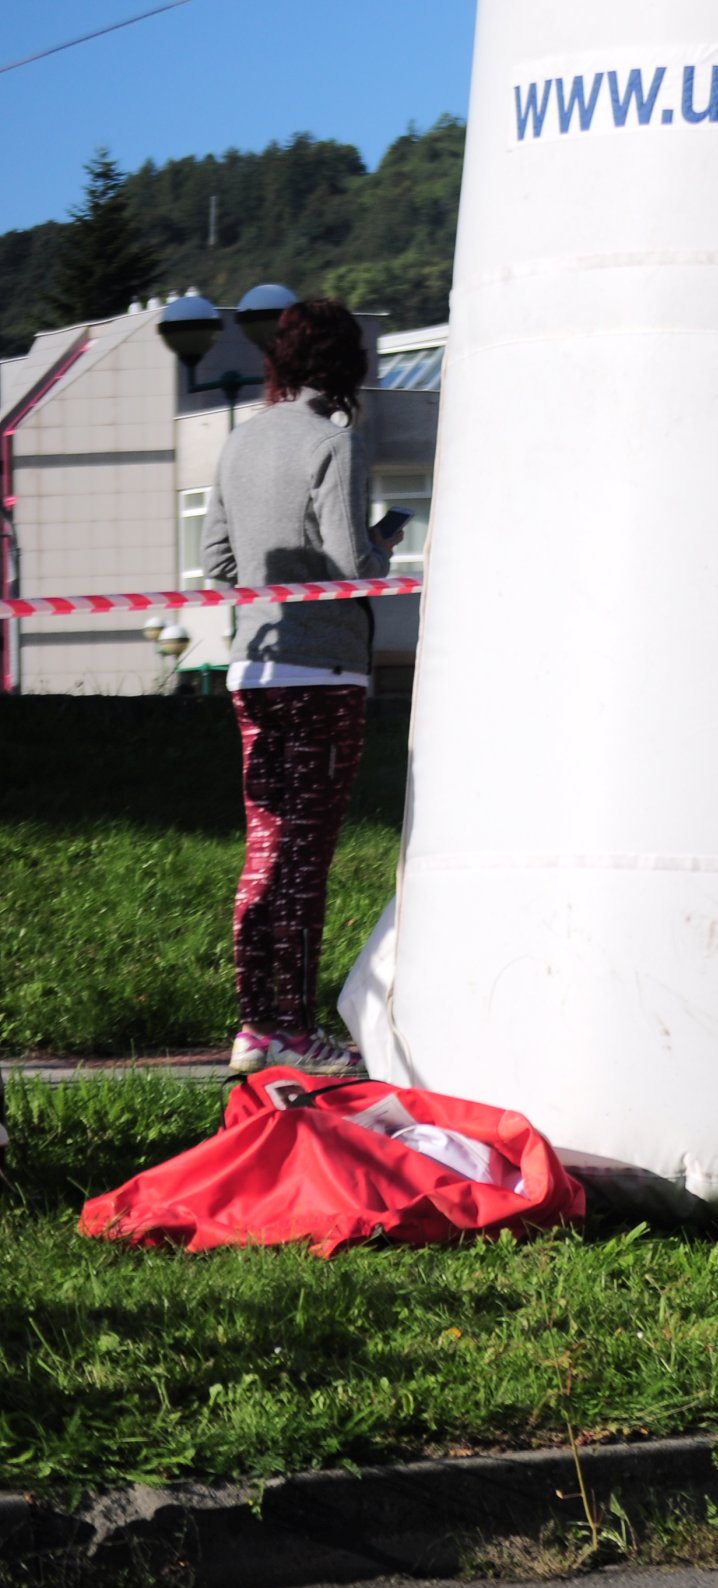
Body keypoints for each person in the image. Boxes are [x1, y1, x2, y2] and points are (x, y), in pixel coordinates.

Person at [203, 298, 399, 1077]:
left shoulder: (238, 441)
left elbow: (219, 564)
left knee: (266, 851)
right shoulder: (334, 444)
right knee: (305, 859)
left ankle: (258, 1025)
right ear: (347, 366)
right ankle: (290, 1029)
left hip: (253, 667)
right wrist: (385, 541)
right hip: (325, 670)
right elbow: (353, 565)